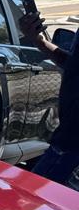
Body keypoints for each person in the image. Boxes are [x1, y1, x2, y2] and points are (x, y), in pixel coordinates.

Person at [21, 11, 79, 187]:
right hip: (65, 141)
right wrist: (39, 41)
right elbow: (73, 64)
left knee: (31, 197)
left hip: (70, 149)